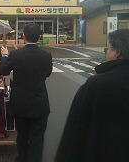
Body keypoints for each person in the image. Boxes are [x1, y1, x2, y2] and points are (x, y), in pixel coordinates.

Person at [55, 29, 129, 162]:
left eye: (109, 48)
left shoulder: (98, 83)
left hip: (103, 151)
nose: (107, 51)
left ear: (118, 52)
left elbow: (76, 130)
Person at [0, 23, 53, 162]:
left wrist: (5, 56)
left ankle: (22, 158)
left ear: (24, 37)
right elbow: (47, 73)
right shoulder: (46, 55)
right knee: (37, 138)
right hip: (40, 103)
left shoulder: (16, 55)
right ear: (39, 37)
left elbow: (3, 71)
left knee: (22, 136)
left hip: (20, 104)